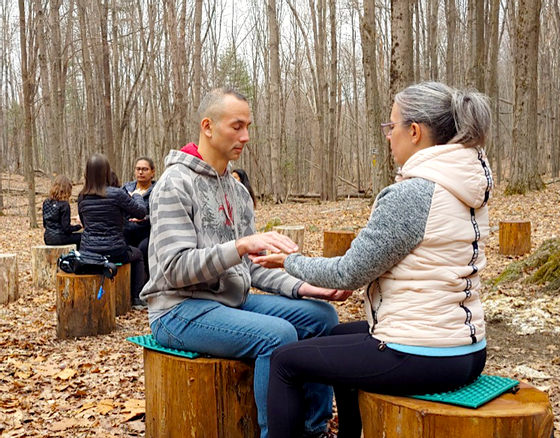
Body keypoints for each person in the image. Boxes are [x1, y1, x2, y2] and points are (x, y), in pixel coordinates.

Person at [251, 81, 494, 438]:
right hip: (468, 348)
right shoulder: (466, 182)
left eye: (391, 126)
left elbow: (349, 272)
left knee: (285, 361)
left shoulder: (414, 193)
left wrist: (289, 261)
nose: (387, 136)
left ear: (414, 131)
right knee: (336, 333)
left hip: (423, 355)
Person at [140, 88, 352, 438]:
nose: (246, 136)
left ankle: (314, 429)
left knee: (322, 317)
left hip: (231, 301)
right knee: (277, 335)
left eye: (248, 126)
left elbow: (253, 268)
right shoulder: (173, 184)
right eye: (237, 126)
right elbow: (174, 269)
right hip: (178, 310)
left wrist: (305, 287)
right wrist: (239, 246)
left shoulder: (236, 191)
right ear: (207, 126)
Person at [78, 153, 148, 308]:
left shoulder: (82, 196)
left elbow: (84, 223)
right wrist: (137, 196)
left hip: (89, 251)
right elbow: (141, 212)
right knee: (138, 255)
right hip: (115, 250)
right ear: (106, 171)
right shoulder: (117, 194)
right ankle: (137, 299)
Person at [122, 157, 156, 277]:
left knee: (143, 249)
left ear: (152, 172)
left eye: (145, 169)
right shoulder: (126, 189)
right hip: (126, 232)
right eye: (138, 169)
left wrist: (145, 218)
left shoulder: (157, 190)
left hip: (147, 234)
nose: (140, 172)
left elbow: (160, 214)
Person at [42, 175, 82, 248]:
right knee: (82, 237)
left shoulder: (46, 202)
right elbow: (67, 229)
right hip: (60, 238)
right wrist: (79, 226)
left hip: (48, 238)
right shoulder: (64, 205)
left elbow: (45, 224)